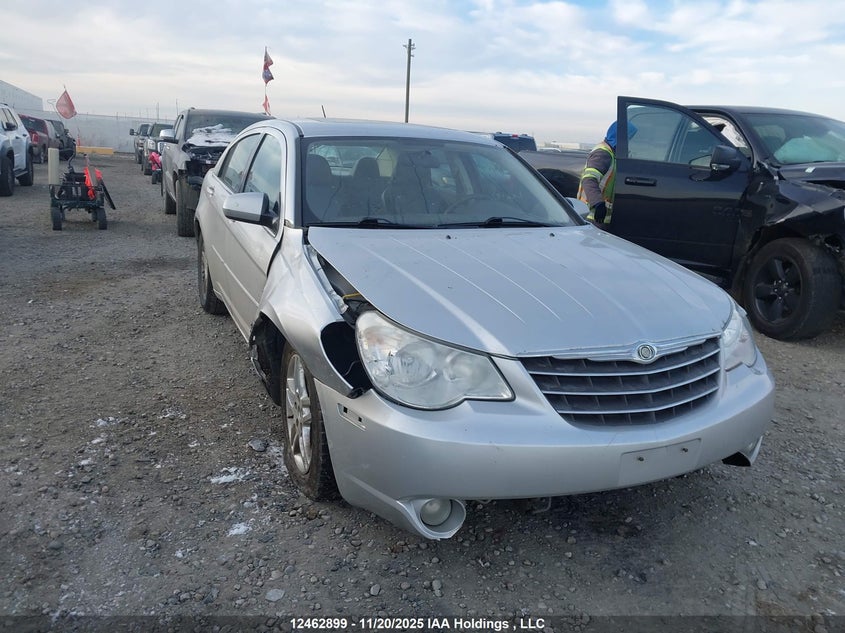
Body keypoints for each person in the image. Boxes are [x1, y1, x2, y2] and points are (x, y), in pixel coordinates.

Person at [577, 120, 636, 226]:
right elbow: (589, 179)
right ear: (620, 137)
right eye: (627, 139)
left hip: (600, 217)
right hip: (594, 216)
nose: (629, 142)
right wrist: (598, 203)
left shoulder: (612, 153)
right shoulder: (603, 154)